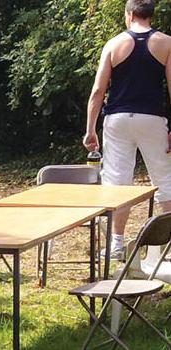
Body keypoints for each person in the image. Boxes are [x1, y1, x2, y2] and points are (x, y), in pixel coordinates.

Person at [83, 0, 171, 259]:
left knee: (117, 182)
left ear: (130, 15)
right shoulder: (166, 43)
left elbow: (98, 90)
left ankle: (116, 244)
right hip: (153, 119)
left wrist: (90, 129)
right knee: (164, 180)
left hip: (118, 119)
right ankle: (166, 246)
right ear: (149, 16)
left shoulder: (113, 44)